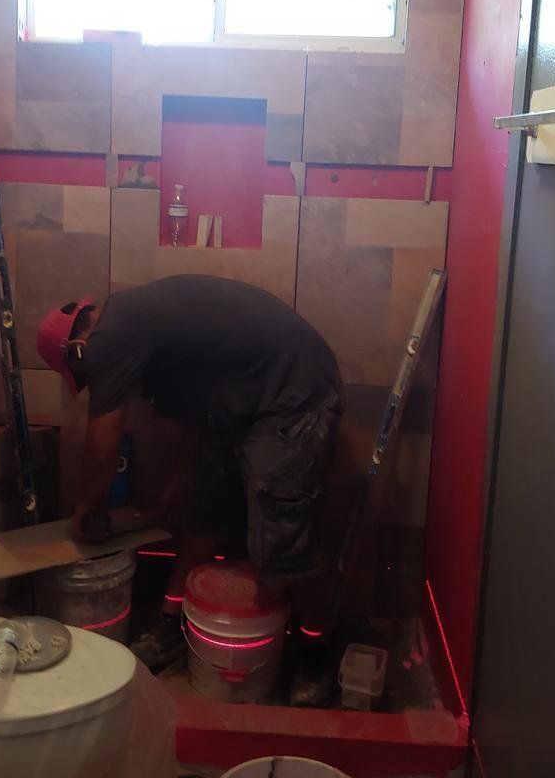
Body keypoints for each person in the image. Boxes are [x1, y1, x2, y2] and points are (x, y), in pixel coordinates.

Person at [37, 275, 343, 707]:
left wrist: (88, 504)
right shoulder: (142, 328)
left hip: (293, 391)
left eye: (80, 372)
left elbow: (102, 446)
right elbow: (197, 414)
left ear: (77, 350)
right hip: (246, 397)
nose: (89, 377)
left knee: (283, 534)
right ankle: (172, 624)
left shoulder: (110, 337)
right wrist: (180, 481)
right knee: (201, 512)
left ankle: (315, 651)